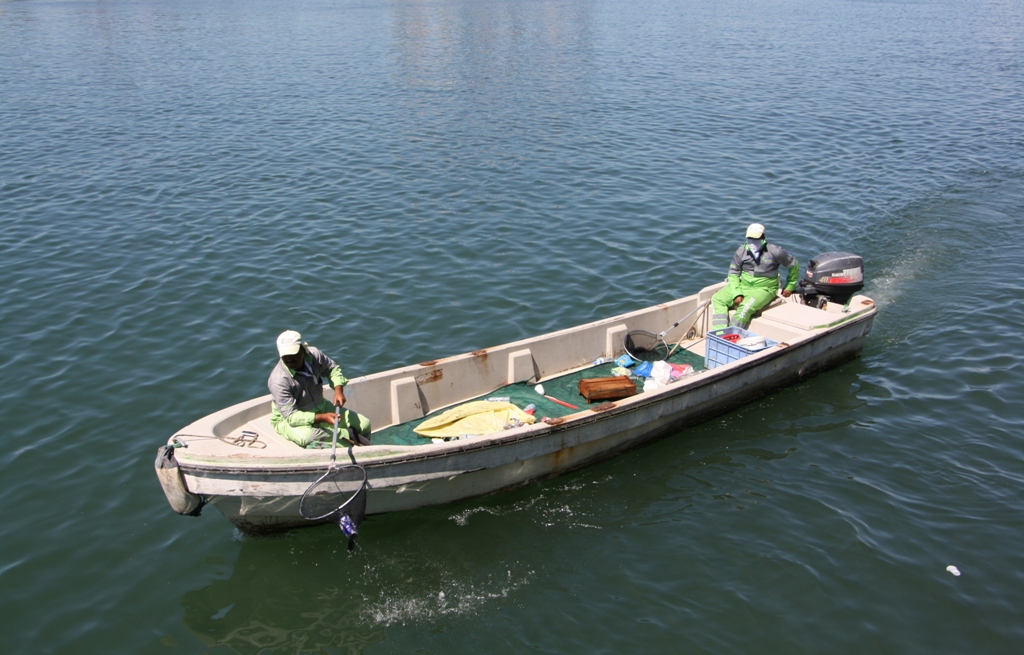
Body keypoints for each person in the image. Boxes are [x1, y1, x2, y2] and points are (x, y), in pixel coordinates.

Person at [268, 330, 372, 448]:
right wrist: (323, 418)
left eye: (293, 354)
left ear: (303, 349)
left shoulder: (315, 355)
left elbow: (332, 369)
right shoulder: (278, 381)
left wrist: (338, 390)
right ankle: (348, 436)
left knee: (364, 424)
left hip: (320, 406)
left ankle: (360, 446)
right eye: (285, 356)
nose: (289, 359)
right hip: (289, 419)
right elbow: (292, 417)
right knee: (308, 438)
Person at [711, 223, 799, 331]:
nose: (752, 241)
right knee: (717, 298)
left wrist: (790, 286)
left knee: (745, 309)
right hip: (744, 284)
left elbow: (794, 265)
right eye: (749, 238)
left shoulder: (775, 251)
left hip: (764, 288)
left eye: (755, 238)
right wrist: (736, 293)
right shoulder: (741, 251)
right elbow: (733, 273)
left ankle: (731, 335)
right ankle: (719, 332)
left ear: (762, 237)